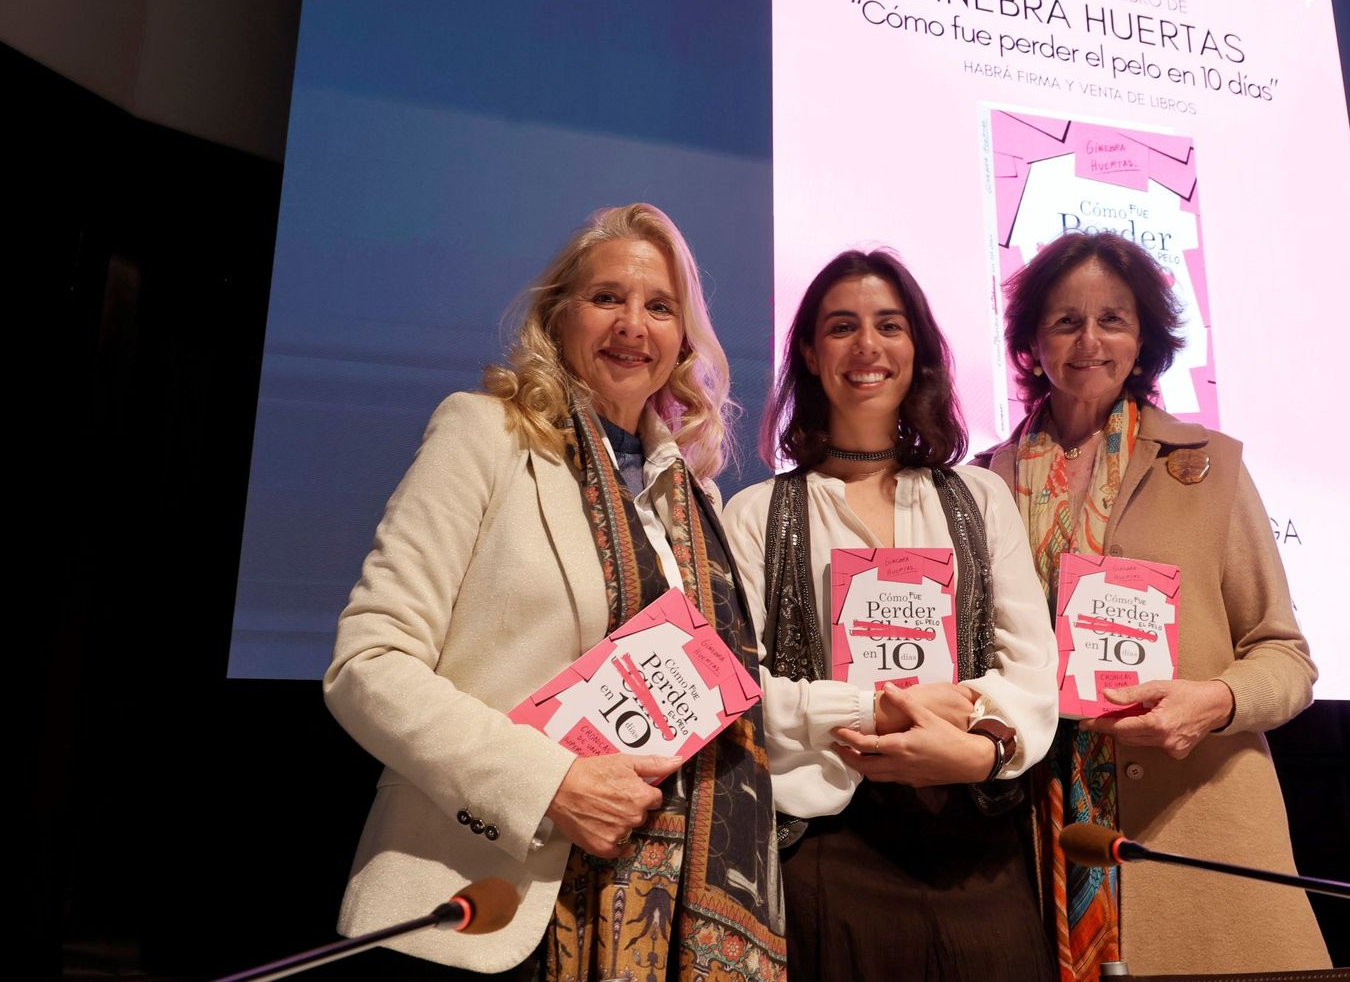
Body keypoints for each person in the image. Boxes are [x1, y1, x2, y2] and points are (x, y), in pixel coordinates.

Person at [323, 204, 786, 981]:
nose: (633, 325)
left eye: (660, 306)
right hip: (478, 909)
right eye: (608, 298)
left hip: (657, 930)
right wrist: (550, 785)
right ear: (557, 316)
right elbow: (366, 663)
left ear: (682, 341)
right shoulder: (485, 434)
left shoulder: (691, 499)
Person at [973, 230, 1329, 979]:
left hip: (1197, 829)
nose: (1090, 340)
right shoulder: (981, 482)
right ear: (1033, 339)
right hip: (1030, 832)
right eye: (1066, 320)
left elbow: (1284, 655)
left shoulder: (1208, 466)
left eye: (1114, 319)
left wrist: (1216, 700)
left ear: (1146, 338)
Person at [723, 249, 1060, 982]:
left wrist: (983, 750)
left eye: (889, 325)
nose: (867, 346)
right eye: (842, 327)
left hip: (976, 845)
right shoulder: (755, 514)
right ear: (809, 353)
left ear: (918, 350)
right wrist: (874, 710)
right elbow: (739, 691)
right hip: (826, 854)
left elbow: (1033, 671)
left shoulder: (978, 498)